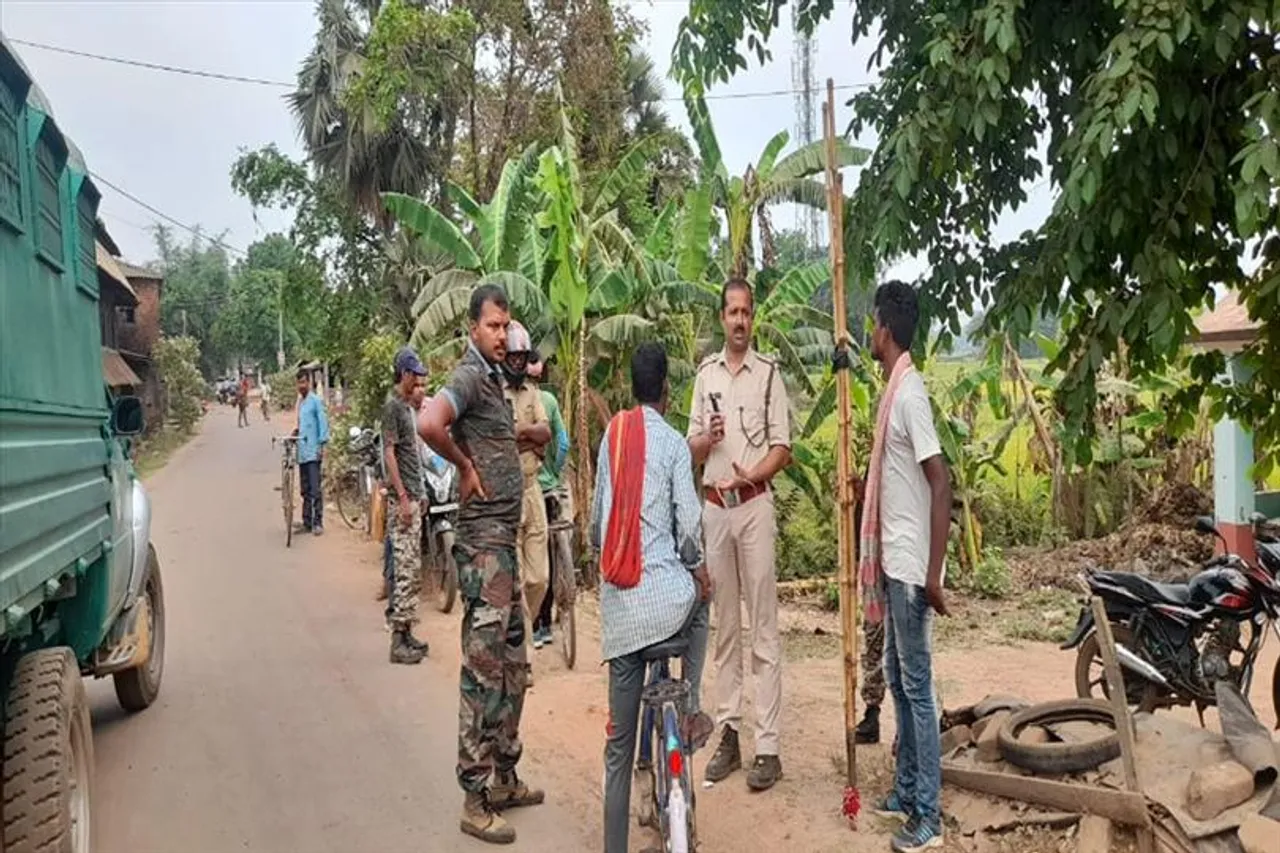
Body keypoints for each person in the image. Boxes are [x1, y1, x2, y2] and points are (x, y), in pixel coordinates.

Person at [417, 284, 542, 845]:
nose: (501, 334)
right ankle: (474, 795)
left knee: (514, 665)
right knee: (484, 670)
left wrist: (520, 436)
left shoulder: (493, 378)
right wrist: (465, 467)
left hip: (505, 546)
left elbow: (491, 434)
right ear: (473, 327)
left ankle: (504, 773)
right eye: (492, 325)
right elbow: (429, 424)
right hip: (485, 545)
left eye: (505, 325)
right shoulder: (468, 375)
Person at [593, 343, 713, 853]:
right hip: (668, 610)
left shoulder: (612, 439)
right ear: (667, 389)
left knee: (618, 753)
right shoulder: (671, 444)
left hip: (621, 617)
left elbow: (600, 525)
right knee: (704, 601)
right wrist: (699, 573)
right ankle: (692, 704)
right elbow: (689, 534)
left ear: (630, 385)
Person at [687, 277, 792, 792]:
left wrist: (749, 475)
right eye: (731, 312)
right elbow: (691, 449)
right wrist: (708, 439)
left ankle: (767, 746)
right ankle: (728, 734)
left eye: (746, 312)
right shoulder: (705, 374)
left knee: (764, 630)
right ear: (720, 316)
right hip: (714, 511)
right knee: (725, 628)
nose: (739, 321)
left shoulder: (769, 375)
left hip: (753, 508)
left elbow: (782, 449)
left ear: (754, 316)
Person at [859, 281, 952, 853]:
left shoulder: (910, 395)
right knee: (896, 677)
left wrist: (934, 574)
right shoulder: (895, 392)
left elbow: (940, 480)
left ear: (886, 331)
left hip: (913, 567)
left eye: (873, 325)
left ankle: (929, 817)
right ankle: (906, 790)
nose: (871, 333)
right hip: (895, 561)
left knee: (917, 689)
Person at [500, 322, 552, 670]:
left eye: (523, 357)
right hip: (508, 493)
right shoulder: (495, 392)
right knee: (516, 581)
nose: (518, 363)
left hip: (533, 489)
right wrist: (526, 437)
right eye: (513, 357)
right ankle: (524, 657)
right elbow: (502, 438)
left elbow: (546, 433)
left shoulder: (533, 393)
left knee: (539, 578)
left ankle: (521, 631)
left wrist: (524, 435)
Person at [383, 347, 431, 665]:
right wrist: (402, 497)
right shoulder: (393, 408)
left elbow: (413, 454)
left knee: (413, 570)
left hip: (414, 496)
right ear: (404, 374)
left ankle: (407, 631)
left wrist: (421, 493)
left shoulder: (407, 408)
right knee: (404, 569)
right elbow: (390, 453)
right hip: (403, 501)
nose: (419, 380)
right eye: (415, 374)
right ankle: (397, 641)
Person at [530, 360, 569, 649]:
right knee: (553, 555)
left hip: (530, 488)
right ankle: (548, 621)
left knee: (536, 556)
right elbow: (564, 443)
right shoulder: (549, 400)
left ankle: (538, 622)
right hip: (551, 489)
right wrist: (555, 473)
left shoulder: (519, 400)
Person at [295, 368, 330, 535]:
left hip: (313, 451)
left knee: (315, 489)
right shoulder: (300, 402)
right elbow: (302, 424)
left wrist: (322, 445)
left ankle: (318, 522)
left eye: (304, 382)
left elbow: (323, 423)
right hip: (302, 452)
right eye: (299, 382)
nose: (301, 385)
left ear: (309, 383)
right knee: (305, 489)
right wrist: (296, 431)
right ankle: (306, 521)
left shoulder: (315, 401)